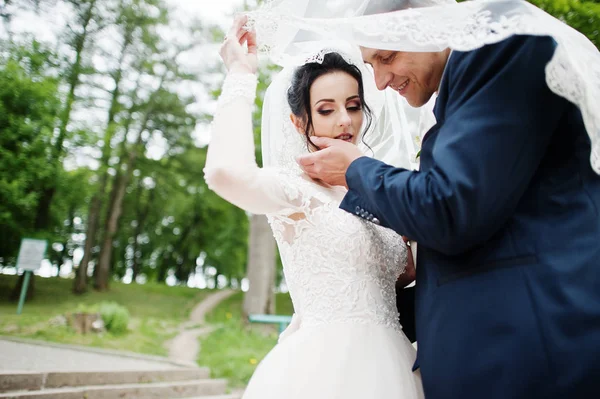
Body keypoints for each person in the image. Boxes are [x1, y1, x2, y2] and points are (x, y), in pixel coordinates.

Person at [283, 2, 600, 399]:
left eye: (387, 56)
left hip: (531, 358)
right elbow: (474, 249)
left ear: (426, 23)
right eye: (371, 64)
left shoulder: (500, 46)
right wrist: (333, 320)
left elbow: (451, 209)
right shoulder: (459, 89)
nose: (379, 83)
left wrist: (357, 170)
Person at [204, 16, 424, 399]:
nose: (345, 120)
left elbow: (399, 275)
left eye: (354, 106)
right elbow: (225, 173)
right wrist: (241, 74)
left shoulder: (372, 195)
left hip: (397, 364)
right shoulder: (293, 192)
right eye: (326, 109)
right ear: (298, 120)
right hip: (326, 369)